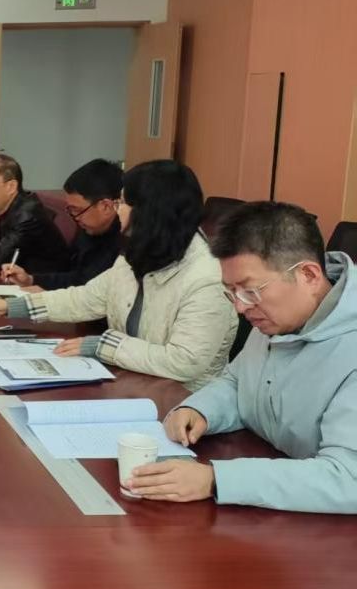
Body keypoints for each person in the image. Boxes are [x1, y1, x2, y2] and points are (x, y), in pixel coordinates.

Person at [128, 202, 357, 512]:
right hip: (279, 500)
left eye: (249, 291)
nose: (239, 307)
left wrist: (216, 480)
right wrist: (201, 409)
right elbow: (239, 382)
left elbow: (348, 478)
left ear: (308, 275)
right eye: (231, 292)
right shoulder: (279, 316)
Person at [0, 160, 236, 389]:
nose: (117, 210)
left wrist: (102, 346)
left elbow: (184, 361)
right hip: (133, 383)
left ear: (149, 211)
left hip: (184, 404)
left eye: (122, 203)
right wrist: (10, 306)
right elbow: (87, 298)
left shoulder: (207, 277)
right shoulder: (139, 251)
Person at [1, 159, 123, 291]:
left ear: (106, 206)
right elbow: (74, 276)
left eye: (77, 210)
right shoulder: (88, 227)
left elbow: (90, 288)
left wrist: (47, 293)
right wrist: (31, 279)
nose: (75, 217)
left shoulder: (124, 243)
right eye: (70, 210)